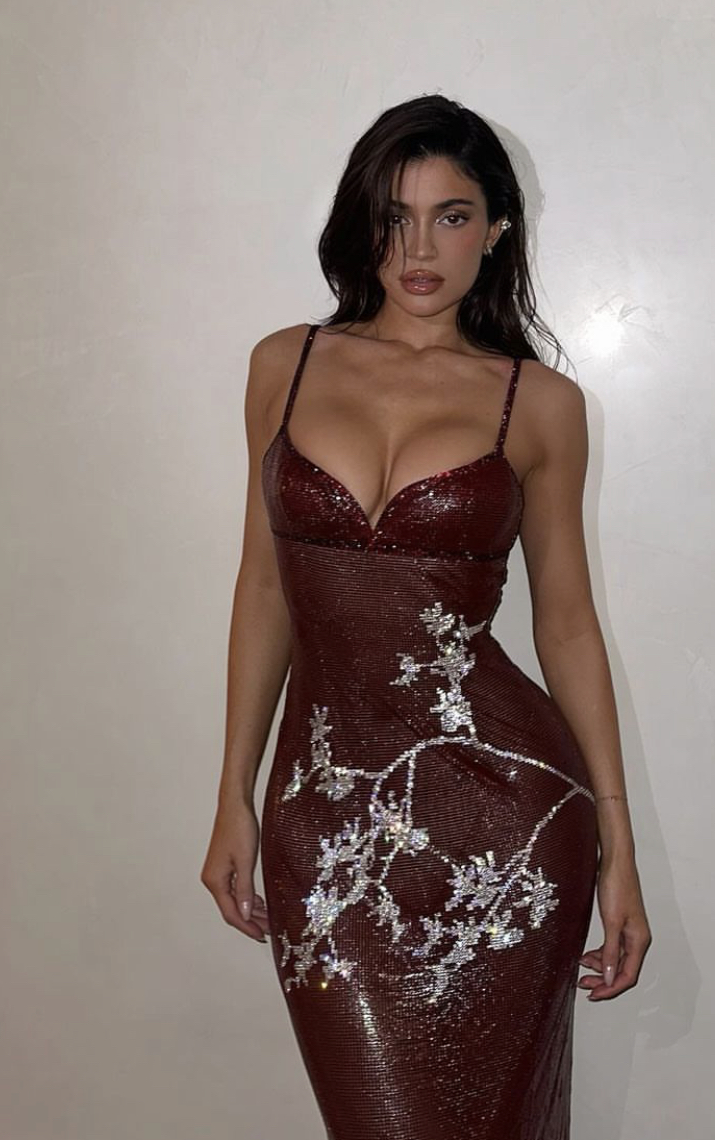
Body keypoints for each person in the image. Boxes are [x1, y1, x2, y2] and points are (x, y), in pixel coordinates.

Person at [201, 93, 651, 1139]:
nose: (418, 248)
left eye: (451, 216)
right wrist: (233, 790)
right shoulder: (284, 365)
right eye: (394, 216)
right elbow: (263, 586)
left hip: (504, 827)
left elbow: (567, 624)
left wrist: (618, 843)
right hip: (323, 822)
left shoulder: (538, 403)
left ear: (496, 231)